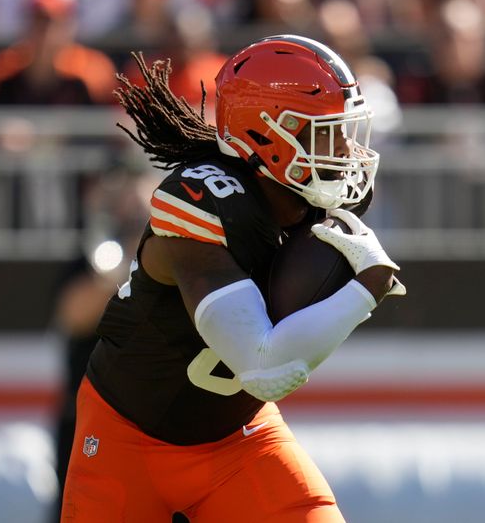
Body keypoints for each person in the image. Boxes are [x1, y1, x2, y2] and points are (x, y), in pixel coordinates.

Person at [60, 34, 404, 522]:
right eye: (327, 131)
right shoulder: (203, 201)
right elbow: (265, 366)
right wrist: (365, 288)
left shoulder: (309, 202)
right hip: (125, 439)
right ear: (269, 132)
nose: (346, 148)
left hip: (237, 439)